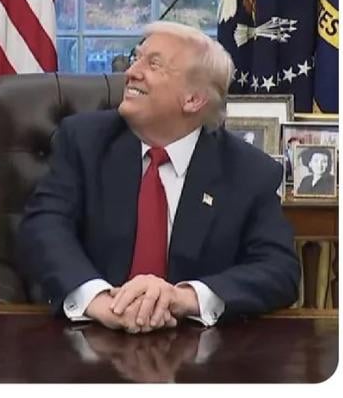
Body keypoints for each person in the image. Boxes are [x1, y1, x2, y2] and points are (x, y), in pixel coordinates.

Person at [17, 21, 300, 333]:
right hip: (89, 334)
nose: (131, 72)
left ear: (193, 100)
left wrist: (183, 298)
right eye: (135, 58)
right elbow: (44, 226)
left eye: (153, 64)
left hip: (197, 345)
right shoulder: (84, 141)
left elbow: (279, 270)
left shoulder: (249, 172)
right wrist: (99, 301)